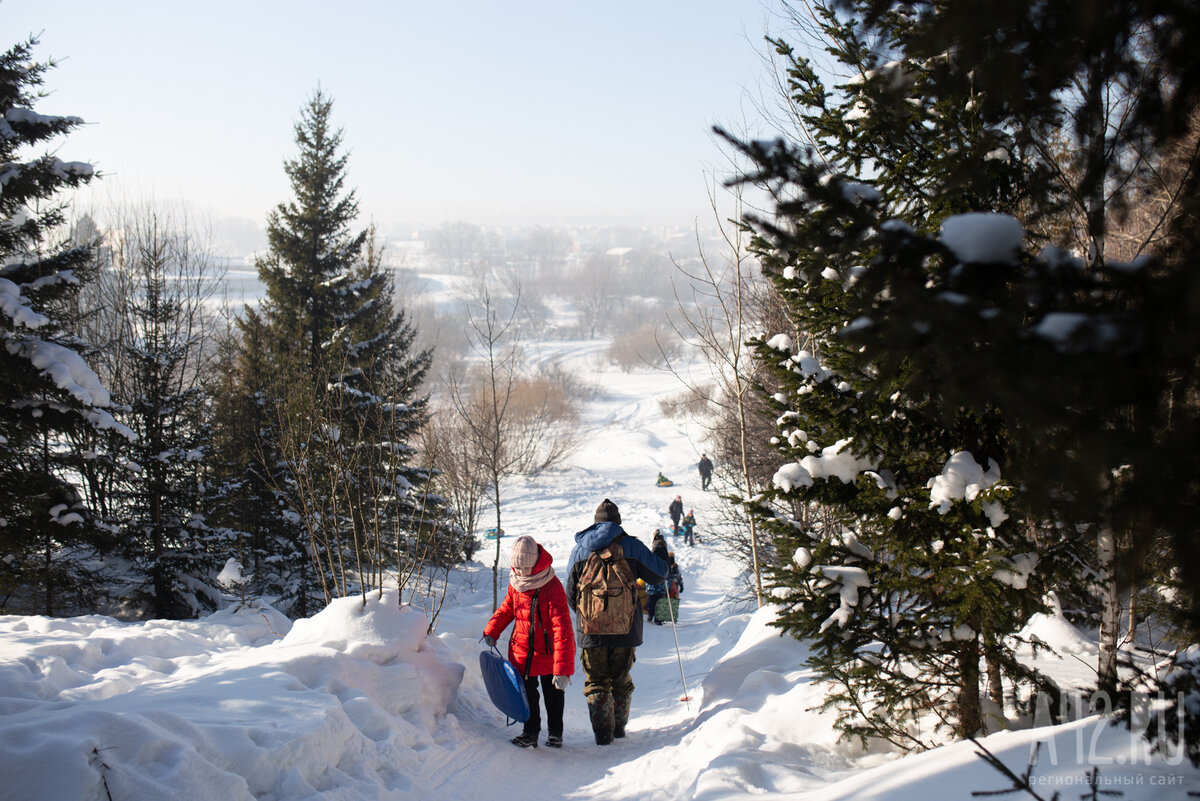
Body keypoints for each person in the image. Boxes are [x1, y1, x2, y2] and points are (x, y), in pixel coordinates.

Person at [566, 498, 668, 745]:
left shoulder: (581, 549)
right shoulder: (632, 546)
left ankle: (602, 733)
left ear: (595, 523)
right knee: (621, 678)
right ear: (618, 523)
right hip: (626, 628)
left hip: (591, 629)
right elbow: (659, 573)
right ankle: (619, 728)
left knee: (596, 680)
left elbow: (570, 592)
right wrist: (659, 547)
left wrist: (585, 615)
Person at [483, 535, 576, 749]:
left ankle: (555, 733)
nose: (520, 572)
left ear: (534, 563)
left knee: (553, 694)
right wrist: (492, 630)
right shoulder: (516, 583)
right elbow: (507, 608)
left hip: (549, 654)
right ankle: (530, 732)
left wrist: (562, 670)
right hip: (522, 652)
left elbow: (562, 630)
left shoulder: (552, 586)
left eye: (524, 568)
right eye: (516, 567)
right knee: (527, 696)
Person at [644, 530, 671, 624]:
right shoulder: (664, 550)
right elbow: (668, 568)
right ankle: (658, 619)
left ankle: (650, 615)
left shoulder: (654, 549)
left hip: (652, 581)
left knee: (651, 600)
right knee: (659, 600)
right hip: (662, 581)